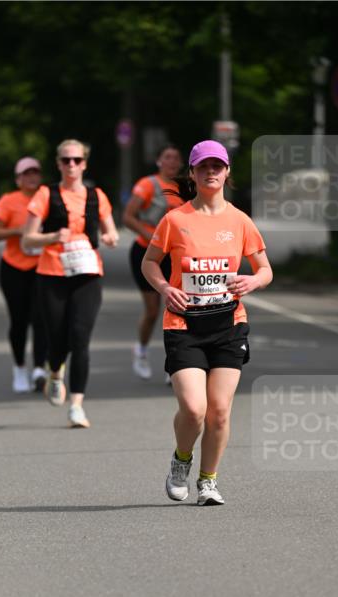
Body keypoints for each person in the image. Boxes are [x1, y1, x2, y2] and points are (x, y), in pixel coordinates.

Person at [142, 140, 272, 506]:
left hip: (229, 325)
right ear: (193, 173)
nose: (211, 172)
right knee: (194, 408)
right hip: (183, 326)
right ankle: (181, 459)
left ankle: (208, 481)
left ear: (227, 172)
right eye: (203, 167)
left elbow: (265, 270)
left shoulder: (240, 220)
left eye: (218, 166)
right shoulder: (175, 220)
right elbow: (149, 263)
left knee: (218, 412)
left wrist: (251, 281)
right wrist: (166, 287)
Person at [22, 139, 119, 428]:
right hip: (52, 273)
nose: (72, 165)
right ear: (58, 164)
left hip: (87, 273)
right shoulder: (44, 194)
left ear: (85, 163)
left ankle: (76, 404)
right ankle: (55, 373)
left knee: (81, 338)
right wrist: (52, 237)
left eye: (77, 160)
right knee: (58, 336)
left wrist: (111, 238)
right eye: (66, 160)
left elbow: (110, 231)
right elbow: (28, 238)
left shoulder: (96, 196)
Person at [122, 144, 184, 380]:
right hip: (146, 253)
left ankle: (176, 364)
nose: (171, 161)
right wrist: (152, 237)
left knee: (177, 307)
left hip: (176, 255)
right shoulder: (148, 185)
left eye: (176, 157)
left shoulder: (184, 187)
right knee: (152, 310)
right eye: (167, 157)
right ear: (159, 161)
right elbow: (127, 217)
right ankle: (141, 349)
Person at [0, 157, 48, 393]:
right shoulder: (9, 201)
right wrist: (18, 231)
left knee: (41, 318)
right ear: (18, 178)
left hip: (43, 266)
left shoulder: (48, 198)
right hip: (14, 267)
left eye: (35, 172)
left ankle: (40, 369)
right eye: (26, 173)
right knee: (19, 321)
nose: (31, 177)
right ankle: (20, 367)